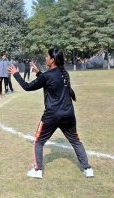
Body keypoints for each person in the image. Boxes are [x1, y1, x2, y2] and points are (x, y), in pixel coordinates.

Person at [8, 47, 93, 179]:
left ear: (52, 60)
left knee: (38, 141)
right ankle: (88, 169)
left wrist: (16, 74)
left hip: (52, 115)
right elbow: (51, 81)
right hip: (68, 114)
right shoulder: (64, 73)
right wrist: (38, 72)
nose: (46, 58)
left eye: (47, 56)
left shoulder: (48, 76)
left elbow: (28, 86)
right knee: (76, 141)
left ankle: (38, 170)